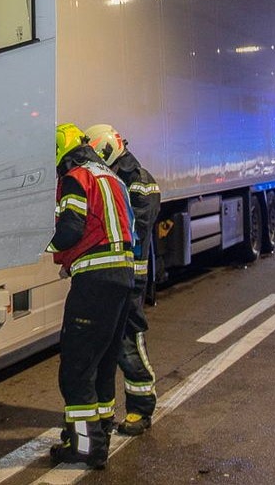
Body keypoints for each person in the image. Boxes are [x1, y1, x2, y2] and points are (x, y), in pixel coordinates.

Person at [47, 123, 135, 468]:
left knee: (76, 368)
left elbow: (71, 228)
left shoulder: (75, 178)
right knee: (102, 366)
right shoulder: (111, 177)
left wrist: (40, 247)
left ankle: (84, 448)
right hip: (122, 278)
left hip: (95, 281)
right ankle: (99, 441)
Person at [82, 123, 161, 436]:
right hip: (113, 276)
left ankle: (141, 407)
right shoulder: (115, 180)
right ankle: (103, 414)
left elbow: (134, 230)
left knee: (129, 342)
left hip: (130, 278)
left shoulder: (141, 184)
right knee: (104, 345)